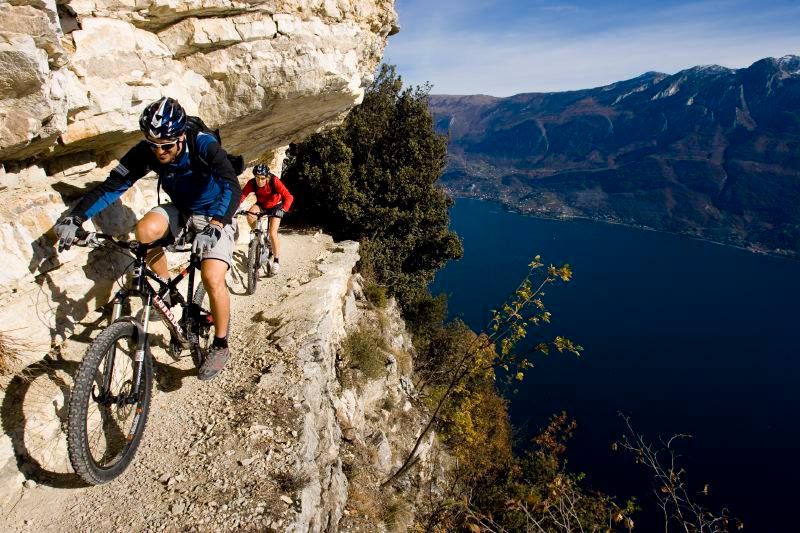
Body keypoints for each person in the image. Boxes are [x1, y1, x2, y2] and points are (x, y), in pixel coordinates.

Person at [54, 96, 241, 381]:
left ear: (181, 137)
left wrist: (216, 224)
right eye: (153, 145)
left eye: (166, 146)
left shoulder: (202, 144)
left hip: (215, 212)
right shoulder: (147, 151)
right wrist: (75, 217)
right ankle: (166, 287)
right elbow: (112, 187)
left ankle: (220, 343)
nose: (159, 152)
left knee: (212, 276)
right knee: (144, 230)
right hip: (180, 208)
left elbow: (230, 184)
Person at [239, 163, 293, 275]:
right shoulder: (252, 183)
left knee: (273, 233)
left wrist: (283, 210)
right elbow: (242, 196)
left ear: (267, 177)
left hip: (276, 206)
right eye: (257, 178)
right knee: (250, 214)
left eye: (262, 178)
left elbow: (289, 197)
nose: (259, 181)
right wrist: (234, 208)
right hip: (262, 205)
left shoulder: (274, 181)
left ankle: (276, 261)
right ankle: (259, 237)